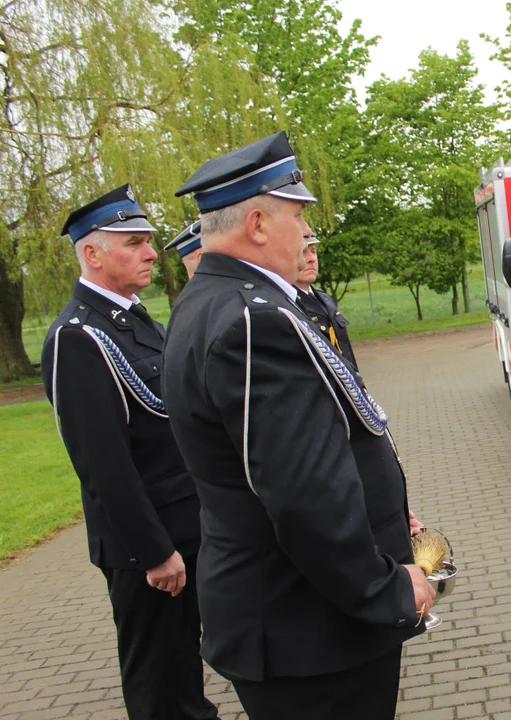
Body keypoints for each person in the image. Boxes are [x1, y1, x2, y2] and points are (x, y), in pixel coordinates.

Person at [161, 131, 435, 720]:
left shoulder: (210, 301)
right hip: (310, 631)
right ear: (257, 223)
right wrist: (383, 588)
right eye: (296, 215)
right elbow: (304, 494)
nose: (306, 230)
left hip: (288, 620)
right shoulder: (254, 321)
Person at [40, 185, 218, 720]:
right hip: (148, 548)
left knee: (184, 670)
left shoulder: (135, 319)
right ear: (92, 254)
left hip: (183, 529)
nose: (149, 253)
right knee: (160, 684)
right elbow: (102, 463)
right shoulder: (79, 336)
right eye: (134, 242)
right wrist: (152, 551)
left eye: (148, 241)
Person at [294, 235, 357, 367]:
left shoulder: (324, 299)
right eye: (302, 252)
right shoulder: (290, 305)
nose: (311, 259)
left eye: (313, 251)